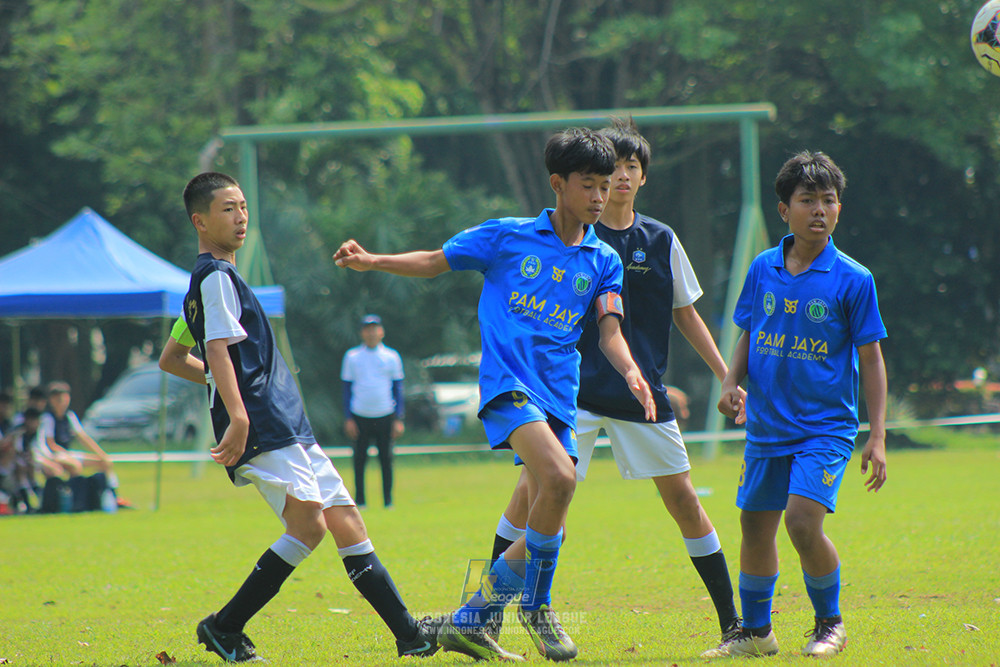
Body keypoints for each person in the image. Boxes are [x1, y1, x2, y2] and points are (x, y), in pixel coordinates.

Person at [334, 127, 657, 662]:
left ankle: (471, 619)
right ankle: (536, 605)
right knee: (559, 479)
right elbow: (436, 260)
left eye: (606, 186)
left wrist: (630, 371)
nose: (601, 196)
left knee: (542, 507)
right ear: (558, 184)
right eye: (589, 185)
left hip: (559, 397)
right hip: (509, 386)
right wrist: (374, 261)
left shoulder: (604, 260)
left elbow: (610, 331)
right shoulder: (507, 236)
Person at [483, 116, 744, 655]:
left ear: (643, 177)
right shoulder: (574, 231)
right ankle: (486, 620)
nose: (620, 178)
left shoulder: (660, 240)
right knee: (528, 496)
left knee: (685, 501)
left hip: (639, 395)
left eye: (631, 167)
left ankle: (732, 625)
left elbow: (687, 315)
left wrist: (726, 375)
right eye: (612, 169)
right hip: (568, 396)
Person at [160, 172, 437, 663]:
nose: (241, 216)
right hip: (264, 424)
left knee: (346, 521)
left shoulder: (217, 280)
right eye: (228, 209)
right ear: (199, 221)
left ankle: (410, 635)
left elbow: (175, 357)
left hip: (286, 421)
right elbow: (220, 351)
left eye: (243, 206)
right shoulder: (215, 278)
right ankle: (224, 627)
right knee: (310, 526)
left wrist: (228, 393)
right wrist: (238, 413)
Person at [708, 151, 888, 658]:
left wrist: (876, 435)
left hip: (824, 428)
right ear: (783, 209)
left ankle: (830, 623)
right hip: (766, 425)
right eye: (807, 200)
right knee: (754, 524)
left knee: (802, 522)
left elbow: (871, 360)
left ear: (839, 209)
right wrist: (728, 383)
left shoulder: (855, 279)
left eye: (828, 200)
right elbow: (749, 332)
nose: (820, 210)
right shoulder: (764, 266)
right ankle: (756, 632)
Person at [341, 314, 405, 508]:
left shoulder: (391, 356)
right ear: (362, 333)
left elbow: (398, 389)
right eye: (367, 329)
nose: (371, 333)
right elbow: (346, 388)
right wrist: (348, 418)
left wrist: (399, 418)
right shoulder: (352, 356)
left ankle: (388, 500)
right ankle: (360, 500)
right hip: (360, 414)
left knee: (386, 459)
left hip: (385, 413)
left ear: (381, 332)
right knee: (359, 460)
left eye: (374, 328)